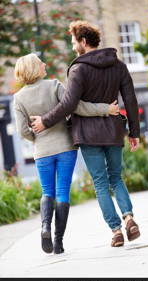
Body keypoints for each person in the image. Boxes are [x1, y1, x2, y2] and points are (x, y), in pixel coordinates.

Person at [31, 20, 141, 247]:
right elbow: (130, 99)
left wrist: (45, 121)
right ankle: (129, 217)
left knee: (100, 183)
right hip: (113, 131)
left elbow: (69, 104)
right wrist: (134, 132)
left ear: (83, 41)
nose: (73, 47)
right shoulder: (118, 65)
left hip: (88, 135)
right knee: (116, 177)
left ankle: (116, 231)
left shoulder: (78, 69)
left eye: (73, 42)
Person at [13, 53, 120, 254]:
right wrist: (106, 109)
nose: (44, 64)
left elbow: (22, 131)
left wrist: (36, 139)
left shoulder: (18, 98)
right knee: (62, 192)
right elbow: (78, 107)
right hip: (65, 148)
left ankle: (45, 226)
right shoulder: (53, 86)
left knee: (47, 191)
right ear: (35, 69)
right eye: (40, 63)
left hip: (42, 151)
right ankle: (58, 242)